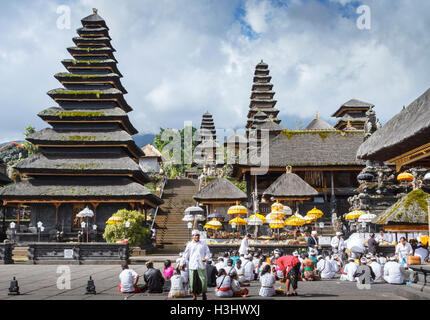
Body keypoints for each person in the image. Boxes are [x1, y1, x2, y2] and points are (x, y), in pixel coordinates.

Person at [182, 229, 212, 300]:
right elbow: (185, 255)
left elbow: (208, 253)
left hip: (201, 265)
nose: (196, 237)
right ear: (193, 236)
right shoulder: (189, 245)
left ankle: (204, 294)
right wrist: (182, 263)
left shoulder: (203, 244)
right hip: (192, 265)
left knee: (203, 280)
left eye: (198, 235)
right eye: (195, 235)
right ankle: (194, 295)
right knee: (193, 281)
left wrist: (206, 258)